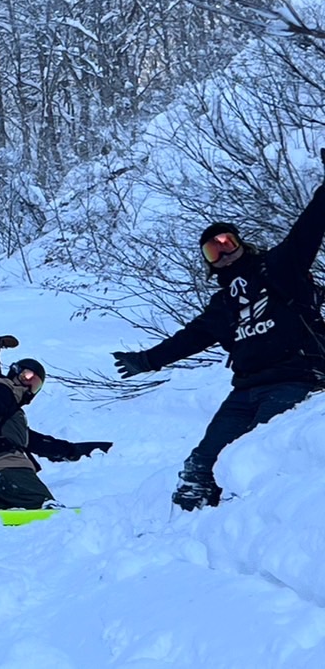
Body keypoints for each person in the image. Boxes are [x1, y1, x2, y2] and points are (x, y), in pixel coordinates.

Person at [112, 155, 325, 511]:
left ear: (242, 243)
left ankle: (257, 520)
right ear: (208, 263)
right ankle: (190, 525)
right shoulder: (221, 303)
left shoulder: (279, 266)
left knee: (258, 454)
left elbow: (310, 227)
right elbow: (192, 337)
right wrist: (147, 360)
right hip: (245, 389)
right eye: (213, 249)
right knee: (201, 462)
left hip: (296, 378)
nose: (223, 251)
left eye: (227, 241)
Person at [0, 342, 112, 510]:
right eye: (27, 376)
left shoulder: (6, 418)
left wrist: (72, 450)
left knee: (2, 513)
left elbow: (35, 441)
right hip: (10, 472)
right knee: (44, 504)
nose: (28, 385)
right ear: (14, 372)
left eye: (35, 384)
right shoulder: (3, 391)